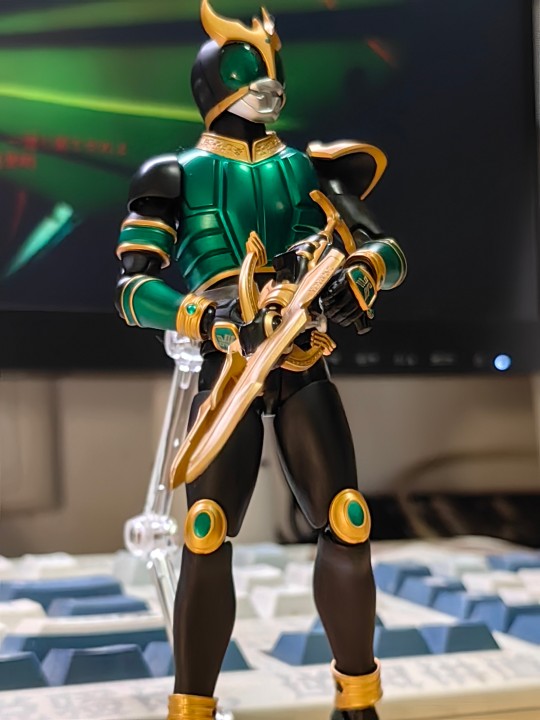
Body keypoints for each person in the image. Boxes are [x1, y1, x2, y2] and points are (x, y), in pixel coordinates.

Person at [115, 3, 406, 719]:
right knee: (206, 528)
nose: (267, 89)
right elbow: (132, 291)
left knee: (347, 518)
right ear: (217, 84)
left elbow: (388, 251)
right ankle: (191, 708)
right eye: (253, 76)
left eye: (273, 77)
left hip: (301, 352)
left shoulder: (306, 169)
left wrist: (359, 277)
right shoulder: (176, 174)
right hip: (228, 364)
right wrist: (205, 317)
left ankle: (358, 702)